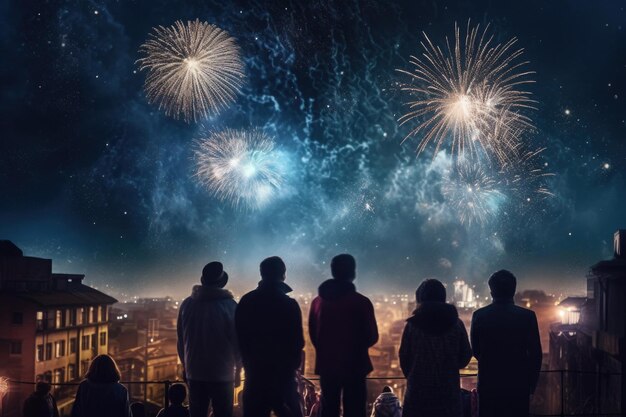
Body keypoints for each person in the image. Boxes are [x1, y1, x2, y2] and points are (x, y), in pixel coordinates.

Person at [308, 254, 378, 417]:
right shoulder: (361, 302)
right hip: (355, 365)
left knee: (329, 407)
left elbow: (313, 334)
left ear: (332, 271)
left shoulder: (317, 302)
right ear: (353, 273)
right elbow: (372, 336)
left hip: (327, 365)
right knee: (355, 409)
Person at [235, 256, 305, 417]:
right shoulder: (289, 304)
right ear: (283, 275)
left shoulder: (246, 301)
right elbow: (297, 342)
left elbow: (240, 338)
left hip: (255, 375)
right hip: (283, 376)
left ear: (261, 274)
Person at [470, 270, 542, 417]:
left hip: (489, 384)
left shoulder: (479, 316)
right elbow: (536, 355)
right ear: (513, 291)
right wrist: (530, 386)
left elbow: (476, 351)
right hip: (518, 385)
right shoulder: (528, 317)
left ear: (491, 292)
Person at [399, 279, 472, 417]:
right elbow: (465, 357)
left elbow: (404, 359)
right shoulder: (456, 325)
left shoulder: (412, 326)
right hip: (448, 395)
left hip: (417, 396)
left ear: (420, 298)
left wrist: (414, 375)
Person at [177, 261, 241, 417]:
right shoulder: (230, 306)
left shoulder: (187, 304)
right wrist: (238, 370)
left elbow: (181, 339)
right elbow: (237, 343)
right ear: (221, 283)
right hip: (222, 374)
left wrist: (185, 366)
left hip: (195, 372)